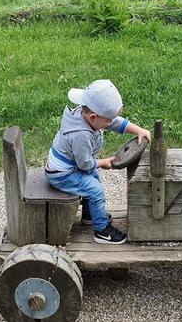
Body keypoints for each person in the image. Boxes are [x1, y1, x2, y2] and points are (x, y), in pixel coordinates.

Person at [45, 79, 151, 245]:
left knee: (92, 179)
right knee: (95, 189)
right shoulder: (81, 135)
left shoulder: (88, 115)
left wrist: (138, 130)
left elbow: (115, 122)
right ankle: (102, 231)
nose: (110, 123)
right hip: (62, 174)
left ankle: (89, 215)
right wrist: (104, 163)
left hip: (70, 165)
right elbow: (85, 164)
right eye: (108, 120)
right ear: (93, 117)